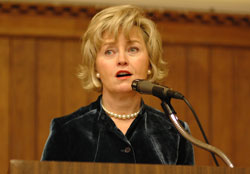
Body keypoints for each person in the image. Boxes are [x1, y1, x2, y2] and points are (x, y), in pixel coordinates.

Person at [41, 4, 194, 165]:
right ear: (95, 67)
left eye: (132, 49)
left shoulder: (176, 133)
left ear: (149, 63)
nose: (122, 60)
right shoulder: (67, 131)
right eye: (109, 51)